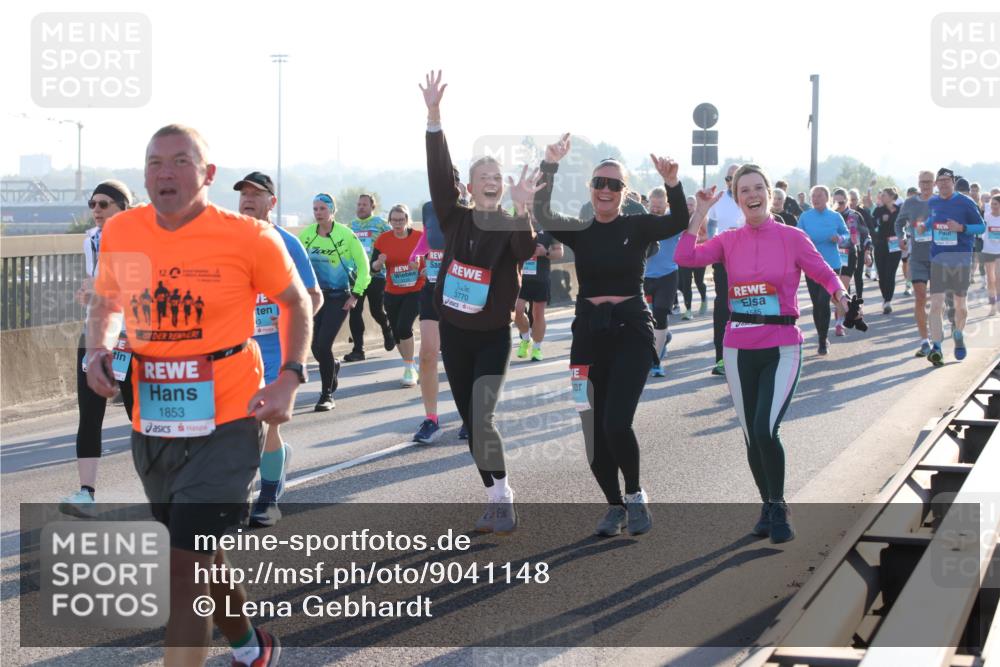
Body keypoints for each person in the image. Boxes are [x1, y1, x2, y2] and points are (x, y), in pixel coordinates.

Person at [87, 124, 312, 666]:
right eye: (154, 163)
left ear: (207, 174)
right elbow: (107, 304)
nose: (165, 172)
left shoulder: (247, 237)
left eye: (180, 161)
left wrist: (289, 376)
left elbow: (298, 303)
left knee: (183, 568)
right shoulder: (123, 231)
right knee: (198, 554)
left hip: (230, 417)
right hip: (153, 418)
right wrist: (98, 350)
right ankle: (250, 645)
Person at [675, 165, 849, 544]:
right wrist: (700, 214)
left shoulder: (792, 237)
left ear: (769, 194)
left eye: (758, 188)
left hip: (783, 345)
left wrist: (841, 295)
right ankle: (768, 505)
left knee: (765, 428)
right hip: (738, 347)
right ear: (737, 199)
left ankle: (779, 503)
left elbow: (822, 271)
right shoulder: (729, 240)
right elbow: (686, 258)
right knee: (752, 435)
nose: (751, 195)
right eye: (743, 190)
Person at [534, 132, 689, 538]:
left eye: (614, 184)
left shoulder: (637, 227)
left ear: (624, 192)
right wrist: (549, 164)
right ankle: (614, 506)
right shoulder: (580, 229)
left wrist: (673, 184)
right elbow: (541, 212)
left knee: (616, 423)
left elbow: (678, 221)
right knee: (592, 431)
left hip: (631, 331)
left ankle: (636, 496)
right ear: (591, 189)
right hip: (587, 335)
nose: (605, 190)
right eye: (599, 183)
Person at [421, 70, 538, 533]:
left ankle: (504, 498)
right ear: (469, 188)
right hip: (455, 333)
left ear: (503, 186)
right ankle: (495, 495)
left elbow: (527, 252)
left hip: (491, 337)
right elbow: (438, 172)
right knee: (470, 420)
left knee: (482, 416)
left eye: (496, 177)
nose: (490, 181)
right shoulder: (455, 218)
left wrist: (525, 209)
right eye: (481, 177)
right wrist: (434, 119)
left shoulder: (511, 224)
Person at [235, 171, 323, 528]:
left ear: (272, 203)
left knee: (267, 422)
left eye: (256, 194)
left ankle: (268, 496)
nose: (247, 199)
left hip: (275, 351)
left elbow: (313, 297)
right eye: (243, 194)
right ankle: (269, 466)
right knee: (235, 429)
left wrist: (285, 323)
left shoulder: (287, 244)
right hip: (238, 352)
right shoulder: (228, 243)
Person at [59, 180, 136, 518]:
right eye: (93, 204)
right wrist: (88, 296)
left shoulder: (143, 241)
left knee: (142, 417)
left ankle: (177, 487)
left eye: (104, 204)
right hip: (96, 334)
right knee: (90, 414)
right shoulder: (90, 240)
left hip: (134, 339)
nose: (96, 210)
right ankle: (86, 492)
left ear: (123, 207)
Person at [300, 194, 372, 411]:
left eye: (322, 208)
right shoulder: (306, 235)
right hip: (315, 297)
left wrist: (356, 295)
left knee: (323, 344)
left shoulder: (346, 235)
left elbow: (364, 267)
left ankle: (326, 394)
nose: (318, 212)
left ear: (332, 210)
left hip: (339, 296)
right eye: (315, 209)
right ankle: (333, 366)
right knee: (314, 346)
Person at [916, 168, 986, 365]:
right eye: (941, 181)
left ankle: (958, 333)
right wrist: (926, 225)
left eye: (948, 180)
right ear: (937, 184)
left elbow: (981, 227)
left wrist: (961, 228)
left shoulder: (966, 202)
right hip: (938, 257)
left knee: (959, 306)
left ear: (953, 182)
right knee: (936, 304)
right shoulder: (934, 201)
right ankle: (937, 347)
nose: (944, 184)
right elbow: (934, 218)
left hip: (961, 258)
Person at [373, 204, 425, 386]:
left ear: (407, 220)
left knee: (404, 327)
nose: (397, 223)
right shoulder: (383, 240)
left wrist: (420, 267)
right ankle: (409, 364)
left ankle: (409, 368)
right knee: (396, 333)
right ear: (389, 221)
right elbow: (373, 268)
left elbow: (431, 264)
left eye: (401, 220)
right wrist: (378, 263)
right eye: (394, 220)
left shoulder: (419, 237)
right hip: (392, 291)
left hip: (416, 289)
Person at [796, 186, 850, 355]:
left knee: (822, 301)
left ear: (827, 198)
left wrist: (839, 238)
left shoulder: (835, 216)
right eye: (813, 196)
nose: (816, 199)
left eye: (819, 196)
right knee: (816, 304)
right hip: (812, 266)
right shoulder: (805, 217)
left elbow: (847, 234)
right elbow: (797, 236)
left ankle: (822, 340)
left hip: (832, 263)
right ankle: (821, 336)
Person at [707, 164, 745, 376]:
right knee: (723, 304)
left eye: (735, 177)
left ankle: (746, 354)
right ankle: (721, 358)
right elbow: (712, 223)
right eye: (728, 178)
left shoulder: (749, 197)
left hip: (749, 261)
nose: (731, 181)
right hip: (723, 260)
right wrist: (714, 241)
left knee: (744, 304)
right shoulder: (720, 199)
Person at [345, 194, 394, 361]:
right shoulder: (350, 226)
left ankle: (387, 330)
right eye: (358, 204)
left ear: (372, 207)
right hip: (356, 276)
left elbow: (394, 239)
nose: (360, 207)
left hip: (376, 275)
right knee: (355, 311)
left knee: (376, 310)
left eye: (364, 204)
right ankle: (358, 349)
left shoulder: (380, 224)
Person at [642, 186, 684, 377]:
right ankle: (663, 337)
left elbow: (689, 226)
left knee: (660, 315)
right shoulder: (642, 221)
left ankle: (656, 362)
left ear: (666, 205)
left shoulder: (672, 222)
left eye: (660, 206)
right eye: (653, 205)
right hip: (644, 277)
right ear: (648, 203)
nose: (656, 209)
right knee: (644, 320)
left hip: (667, 276)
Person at [896, 171, 936, 356]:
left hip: (938, 257)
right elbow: (899, 223)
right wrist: (901, 236)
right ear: (918, 183)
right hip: (918, 257)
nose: (925, 185)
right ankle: (924, 340)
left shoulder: (940, 201)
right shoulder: (910, 203)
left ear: (934, 183)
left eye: (929, 182)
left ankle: (937, 336)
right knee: (920, 297)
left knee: (937, 302)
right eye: (922, 182)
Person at [514, 225, 564, 362]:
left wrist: (545, 252)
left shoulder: (550, 226)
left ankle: (536, 348)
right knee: (517, 310)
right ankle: (526, 339)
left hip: (540, 278)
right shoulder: (518, 223)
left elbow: (559, 252)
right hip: (520, 278)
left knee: (538, 314)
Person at [831, 188, 870, 336]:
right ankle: (851, 307)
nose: (839, 205)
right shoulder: (829, 216)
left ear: (847, 201)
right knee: (832, 295)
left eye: (841, 202)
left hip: (849, 256)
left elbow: (866, 234)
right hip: (830, 256)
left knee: (841, 288)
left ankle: (839, 323)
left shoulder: (854, 216)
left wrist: (867, 252)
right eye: (836, 202)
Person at [871, 188, 902, 314]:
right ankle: (885, 297)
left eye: (884, 195)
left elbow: (904, 223)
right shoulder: (879, 210)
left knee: (890, 273)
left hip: (895, 244)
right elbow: (872, 223)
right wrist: (880, 220)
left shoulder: (899, 209)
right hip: (880, 244)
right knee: (882, 274)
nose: (881, 197)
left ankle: (888, 301)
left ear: (891, 196)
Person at [678, 195, 708, 320]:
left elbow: (708, 235)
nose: (688, 207)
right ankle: (688, 310)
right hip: (684, 255)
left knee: (698, 281)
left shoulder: (702, 218)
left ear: (695, 206)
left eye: (691, 204)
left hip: (699, 254)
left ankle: (704, 298)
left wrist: (695, 240)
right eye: (687, 204)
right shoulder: (680, 218)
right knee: (685, 283)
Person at [982, 195, 1000, 315]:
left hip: (999, 251)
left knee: (998, 279)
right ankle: (992, 305)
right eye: (992, 204)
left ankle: (998, 304)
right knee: (990, 279)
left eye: (995, 204)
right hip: (988, 250)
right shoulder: (986, 216)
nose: (993, 206)